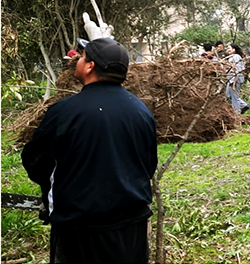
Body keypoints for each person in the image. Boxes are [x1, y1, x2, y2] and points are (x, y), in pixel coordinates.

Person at [21, 37, 158, 263]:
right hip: (132, 227)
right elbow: (148, 164)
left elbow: (35, 160)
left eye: (82, 56)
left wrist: (52, 187)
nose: (77, 60)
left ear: (90, 66)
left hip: (78, 228)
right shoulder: (141, 111)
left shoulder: (65, 111)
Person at [226, 43, 250, 114]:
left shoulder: (236, 57)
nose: (228, 50)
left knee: (235, 96)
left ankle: (236, 112)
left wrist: (234, 82)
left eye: (229, 48)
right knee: (228, 95)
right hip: (230, 79)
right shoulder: (231, 57)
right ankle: (244, 105)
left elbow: (237, 70)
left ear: (234, 49)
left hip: (235, 79)